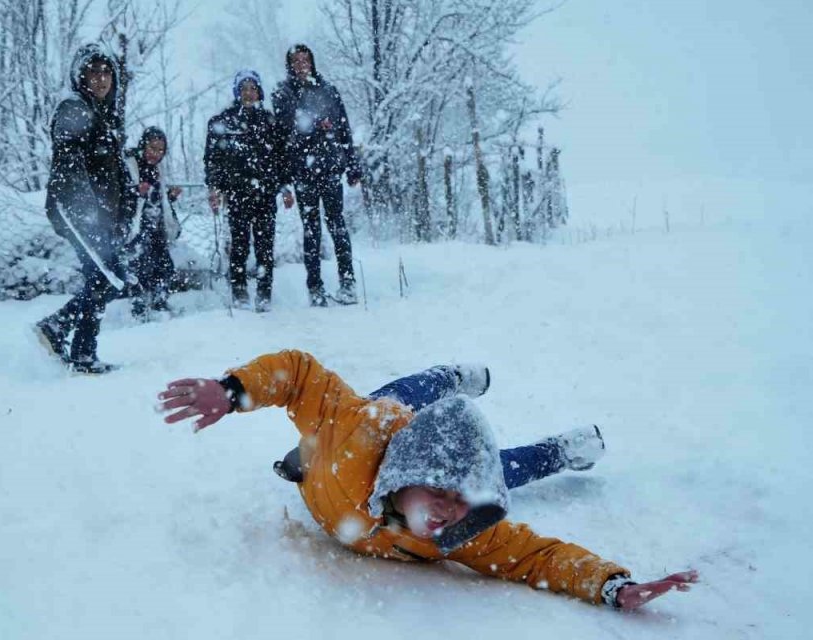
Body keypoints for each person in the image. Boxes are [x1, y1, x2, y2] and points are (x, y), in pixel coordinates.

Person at [157, 350, 699, 610]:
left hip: (418, 457)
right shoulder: (351, 431)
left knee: (505, 469)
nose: (446, 513)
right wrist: (231, 390)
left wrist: (610, 584)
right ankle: (451, 377)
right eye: (439, 494)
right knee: (396, 396)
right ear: (408, 475)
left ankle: (562, 450)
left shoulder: (463, 526)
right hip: (367, 438)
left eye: (460, 506)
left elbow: (538, 556)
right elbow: (298, 375)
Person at [34, 44, 130, 374]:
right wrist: (91, 215)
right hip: (78, 214)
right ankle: (73, 343)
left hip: (100, 216)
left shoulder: (106, 115)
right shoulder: (74, 109)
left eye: (107, 73)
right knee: (109, 278)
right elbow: (70, 169)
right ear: (81, 76)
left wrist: (122, 214)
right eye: (94, 72)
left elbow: (116, 174)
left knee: (107, 278)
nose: (102, 79)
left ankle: (68, 338)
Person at [272, 45, 361, 307]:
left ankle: (348, 282)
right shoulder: (284, 93)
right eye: (296, 60)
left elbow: (344, 127)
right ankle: (315, 287)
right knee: (311, 229)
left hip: (331, 167)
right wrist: (314, 130)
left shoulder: (329, 90)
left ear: (312, 61)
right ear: (290, 65)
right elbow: (284, 132)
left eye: (305, 59)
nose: (301, 64)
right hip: (303, 171)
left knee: (337, 225)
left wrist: (352, 164)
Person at [205, 70, 292, 313]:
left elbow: (281, 159)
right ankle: (239, 291)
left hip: (265, 194)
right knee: (239, 245)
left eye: (253, 88)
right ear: (236, 92)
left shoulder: (270, 121)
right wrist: (215, 188)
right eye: (243, 88)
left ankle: (264, 293)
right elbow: (213, 159)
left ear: (259, 92)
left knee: (265, 246)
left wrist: (285, 187)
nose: (248, 93)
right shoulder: (224, 122)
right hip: (237, 194)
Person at [124, 126, 183, 320]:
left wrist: (169, 197)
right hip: (136, 226)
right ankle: (138, 304)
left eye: (160, 150)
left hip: (156, 225)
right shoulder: (129, 165)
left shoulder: (158, 170)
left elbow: (155, 197)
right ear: (143, 146)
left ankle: (160, 300)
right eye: (151, 148)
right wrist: (135, 192)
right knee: (139, 263)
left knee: (164, 264)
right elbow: (118, 194)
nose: (155, 154)